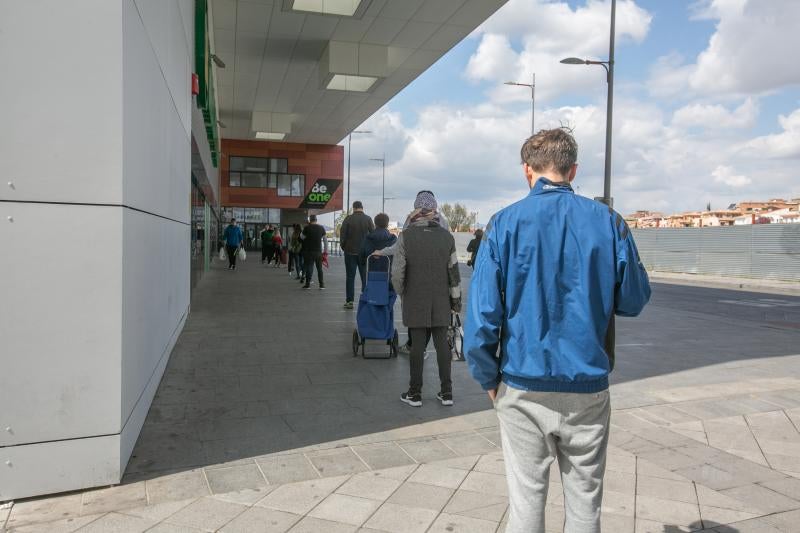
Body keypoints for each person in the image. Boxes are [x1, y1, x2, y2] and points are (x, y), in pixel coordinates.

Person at [463, 128, 651, 533]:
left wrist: (487, 379)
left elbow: (480, 317)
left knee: (526, 501)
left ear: (528, 171)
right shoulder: (609, 221)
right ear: (573, 169)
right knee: (585, 504)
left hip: (521, 383)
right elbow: (634, 299)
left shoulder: (503, 224)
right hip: (587, 384)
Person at [392, 192, 461, 407]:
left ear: (415, 210)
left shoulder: (405, 236)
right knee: (442, 346)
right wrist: (456, 303)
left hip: (415, 298)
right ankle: (447, 392)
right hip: (441, 300)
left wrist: (402, 292)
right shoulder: (447, 237)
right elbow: (454, 274)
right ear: (435, 210)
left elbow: (397, 273)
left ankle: (415, 394)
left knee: (417, 348)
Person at [374, 191, 448, 355]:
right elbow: (449, 250)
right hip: (437, 277)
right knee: (431, 314)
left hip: (414, 275)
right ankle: (417, 348)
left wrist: (383, 252)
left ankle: (414, 347)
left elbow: (400, 247)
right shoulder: (443, 222)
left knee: (414, 312)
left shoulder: (411, 220)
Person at [340, 201, 375, 309]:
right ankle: (365, 299)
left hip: (350, 252)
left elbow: (343, 234)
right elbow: (373, 235)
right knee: (365, 277)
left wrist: (344, 247)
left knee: (350, 277)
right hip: (364, 254)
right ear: (362, 208)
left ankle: (350, 301)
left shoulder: (348, 219)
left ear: (354, 208)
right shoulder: (368, 219)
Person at [301, 214, 328, 290]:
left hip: (309, 252)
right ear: (316, 220)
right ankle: (321, 285)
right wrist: (325, 252)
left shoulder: (307, 228)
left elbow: (301, 237)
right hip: (318, 252)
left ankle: (308, 284)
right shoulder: (321, 228)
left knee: (309, 267)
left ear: (310, 220)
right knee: (319, 268)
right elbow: (325, 241)